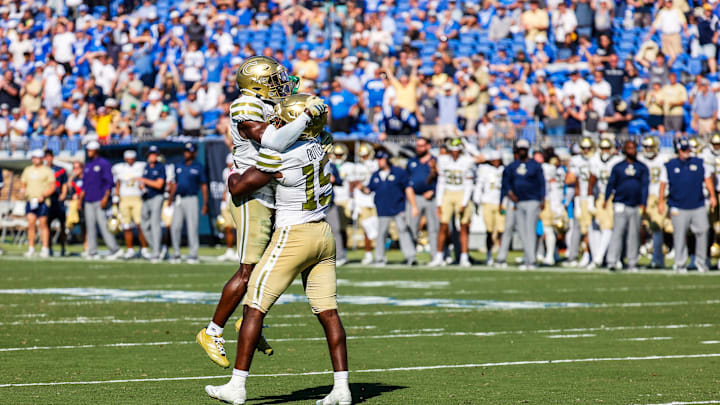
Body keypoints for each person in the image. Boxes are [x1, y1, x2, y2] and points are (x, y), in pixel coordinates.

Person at [205, 94, 351, 405]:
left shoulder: (282, 154)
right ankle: (342, 388)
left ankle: (237, 386)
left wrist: (233, 174)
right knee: (329, 314)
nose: (276, 121)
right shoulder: (324, 141)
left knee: (253, 308)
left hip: (294, 235)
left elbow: (238, 186)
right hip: (324, 234)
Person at [197, 56, 323, 369]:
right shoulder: (245, 106)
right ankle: (212, 331)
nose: (281, 85)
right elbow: (272, 139)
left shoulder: (266, 104)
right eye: (274, 80)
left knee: (274, 268)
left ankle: (249, 322)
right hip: (252, 192)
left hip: (272, 192)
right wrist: (305, 118)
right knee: (248, 270)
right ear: (257, 85)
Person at [659, 137, 717, 273]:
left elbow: (707, 180)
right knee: (679, 235)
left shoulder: (699, 163)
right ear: (678, 150)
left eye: (688, 149)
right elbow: (663, 184)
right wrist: (661, 201)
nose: (686, 152)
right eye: (683, 149)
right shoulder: (670, 165)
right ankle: (680, 263)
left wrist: (713, 195)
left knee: (703, 231)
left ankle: (701, 262)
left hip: (697, 204)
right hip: (678, 205)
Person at [363, 150, 418, 266]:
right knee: (381, 233)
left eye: (381, 159)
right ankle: (380, 258)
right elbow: (369, 189)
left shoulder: (399, 172)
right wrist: (359, 186)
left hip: (398, 207)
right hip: (383, 209)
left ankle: (410, 256)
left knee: (403, 231)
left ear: (387, 159)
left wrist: (413, 206)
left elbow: (408, 188)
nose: (379, 162)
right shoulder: (376, 174)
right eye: (378, 159)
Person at [429, 138, 476, 267]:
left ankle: (464, 256)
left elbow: (469, 183)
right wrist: (439, 203)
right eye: (452, 151)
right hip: (448, 193)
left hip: (462, 192)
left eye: (457, 150)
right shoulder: (443, 160)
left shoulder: (467, 160)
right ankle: (439, 256)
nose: (455, 153)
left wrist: (464, 202)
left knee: (463, 227)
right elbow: (441, 182)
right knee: (443, 226)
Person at [605, 140, 649, 271]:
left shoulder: (642, 167)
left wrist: (643, 203)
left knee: (633, 235)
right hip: (620, 203)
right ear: (625, 150)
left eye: (634, 148)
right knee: (617, 233)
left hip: (635, 205)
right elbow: (611, 184)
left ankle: (632, 262)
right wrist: (606, 199)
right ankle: (612, 260)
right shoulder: (618, 166)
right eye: (629, 148)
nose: (632, 151)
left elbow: (644, 187)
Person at [503, 139, 545, 269]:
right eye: (519, 149)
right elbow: (506, 182)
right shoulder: (513, 166)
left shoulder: (535, 166)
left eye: (524, 149)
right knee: (522, 232)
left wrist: (542, 199)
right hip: (518, 202)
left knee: (530, 230)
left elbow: (542, 183)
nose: (521, 151)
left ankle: (531, 261)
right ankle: (528, 258)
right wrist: (510, 194)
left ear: (527, 150)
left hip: (532, 201)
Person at [168, 143, 209, 264]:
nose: (187, 153)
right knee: (175, 226)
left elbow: (204, 186)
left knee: (192, 227)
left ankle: (193, 254)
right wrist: (170, 198)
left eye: (189, 151)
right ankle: (176, 253)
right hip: (179, 198)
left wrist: (205, 203)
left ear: (194, 153)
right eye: (185, 151)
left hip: (191, 198)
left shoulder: (198, 167)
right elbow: (175, 183)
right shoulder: (178, 165)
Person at [587, 138, 623, 269]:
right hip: (602, 196)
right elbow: (591, 181)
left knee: (612, 227)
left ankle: (602, 257)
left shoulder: (618, 161)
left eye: (607, 148)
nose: (605, 151)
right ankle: (601, 256)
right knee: (602, 227)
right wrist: (590, 199)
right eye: (603, 148)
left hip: (616, 196)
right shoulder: (594, 160)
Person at [82, 141, 122, 259]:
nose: (89, 152)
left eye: (90, 150)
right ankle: (92, 250)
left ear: (96, 150)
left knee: (103, 225)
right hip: (88, 199)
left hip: (99, 199)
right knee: (90, 226)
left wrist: (105, 197)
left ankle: (114, 249)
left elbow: (109, 183)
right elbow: (85, 185)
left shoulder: (104, 164)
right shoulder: (88, 165)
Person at [639, 136, 672, 268]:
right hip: (644, 196)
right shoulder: (640, 159)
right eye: (646, 147)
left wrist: (663, 197)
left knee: (657, 227)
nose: (648, 150)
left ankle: (657, 258)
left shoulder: (663, 159)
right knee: (646, 227)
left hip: (659, 196)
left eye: (650, 147)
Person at [112, 149, 149, 260]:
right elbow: (118, 183)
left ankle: (144, 249)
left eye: (132, 158)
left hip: (137, 198)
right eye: (128, 158)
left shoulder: (140, 166)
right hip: (124, 198)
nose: (130, 161)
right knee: (126, 225)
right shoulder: (119, 168)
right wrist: (116, 198)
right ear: (125, 158)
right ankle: (130, 249)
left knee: (140, 224)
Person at [405, 136, 438, 259]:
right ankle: (411, 256)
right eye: (417, 146)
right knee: (413, 227)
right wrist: (412, 201)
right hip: (415, 198)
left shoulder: (435, 161)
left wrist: (433, 191)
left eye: (421, 146)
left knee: (433, 228)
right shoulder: (412, 162)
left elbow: (441, 181)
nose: (418, 148)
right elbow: (407, 182)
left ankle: (435, 256)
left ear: (428, 146)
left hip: (431, 198)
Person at [20, 149, 56, 258]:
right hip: (31, 201)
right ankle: (31, 248)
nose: (35, 159)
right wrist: (23, 192)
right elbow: (23, 183)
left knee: (43, 224)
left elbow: (52, 186)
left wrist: (44, 196)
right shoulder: (28, 170)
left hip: (43, 201)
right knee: (31, 223)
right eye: (34, 157)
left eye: (38, 157)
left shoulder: (47, 170)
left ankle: (45, 248)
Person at [565, 137, 594, 267]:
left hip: (593, 197)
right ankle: (573, 256)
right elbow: (570, 180)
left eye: (588, 148)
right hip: (581, 197)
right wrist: (577, 200)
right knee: (578, 228)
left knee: (592, 228)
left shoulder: (597, 159)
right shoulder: (576, 160)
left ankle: (590, 254)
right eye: (584, 148)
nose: (586, 151)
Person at [474, 150, 505, 265]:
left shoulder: (503, 170)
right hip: (487, 202)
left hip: (501, 203)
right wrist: (477, 200)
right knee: (489, 231)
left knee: (502, 230)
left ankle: (502, 254)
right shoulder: (485, 170)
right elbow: (479, 185)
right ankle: (489, 254)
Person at [139, 145, 166, 263]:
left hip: (157, 197)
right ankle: (157, 248)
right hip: (146, 197)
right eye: (151, 154)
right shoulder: (146, 167)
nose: (153, 156)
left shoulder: (161, 167)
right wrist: (141, 186)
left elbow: (159, 184)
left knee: (155, 224)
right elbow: (143, 182)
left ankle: (155, 252)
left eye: (155, 154)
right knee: (144, 224)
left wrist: (144, 181)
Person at [44, 149, 68, 257]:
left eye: (50, 156)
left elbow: (64, 183)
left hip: (58, 201)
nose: (48, 158)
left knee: (62, 225)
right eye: (46, 156)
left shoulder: (60, 170)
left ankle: (63, 247)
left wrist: (63, 194)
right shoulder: (43, 170)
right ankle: (49, 247)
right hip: (48, 200)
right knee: (46, 225)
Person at [217, 154, 239, 262]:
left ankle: (239, 251)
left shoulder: (240, 170)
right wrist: (223, 198)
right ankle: (229, 250)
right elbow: (226, 186)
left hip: (237, 200)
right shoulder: (226, 171)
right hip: (227, 202)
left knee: (238, 228)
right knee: (227, 227)